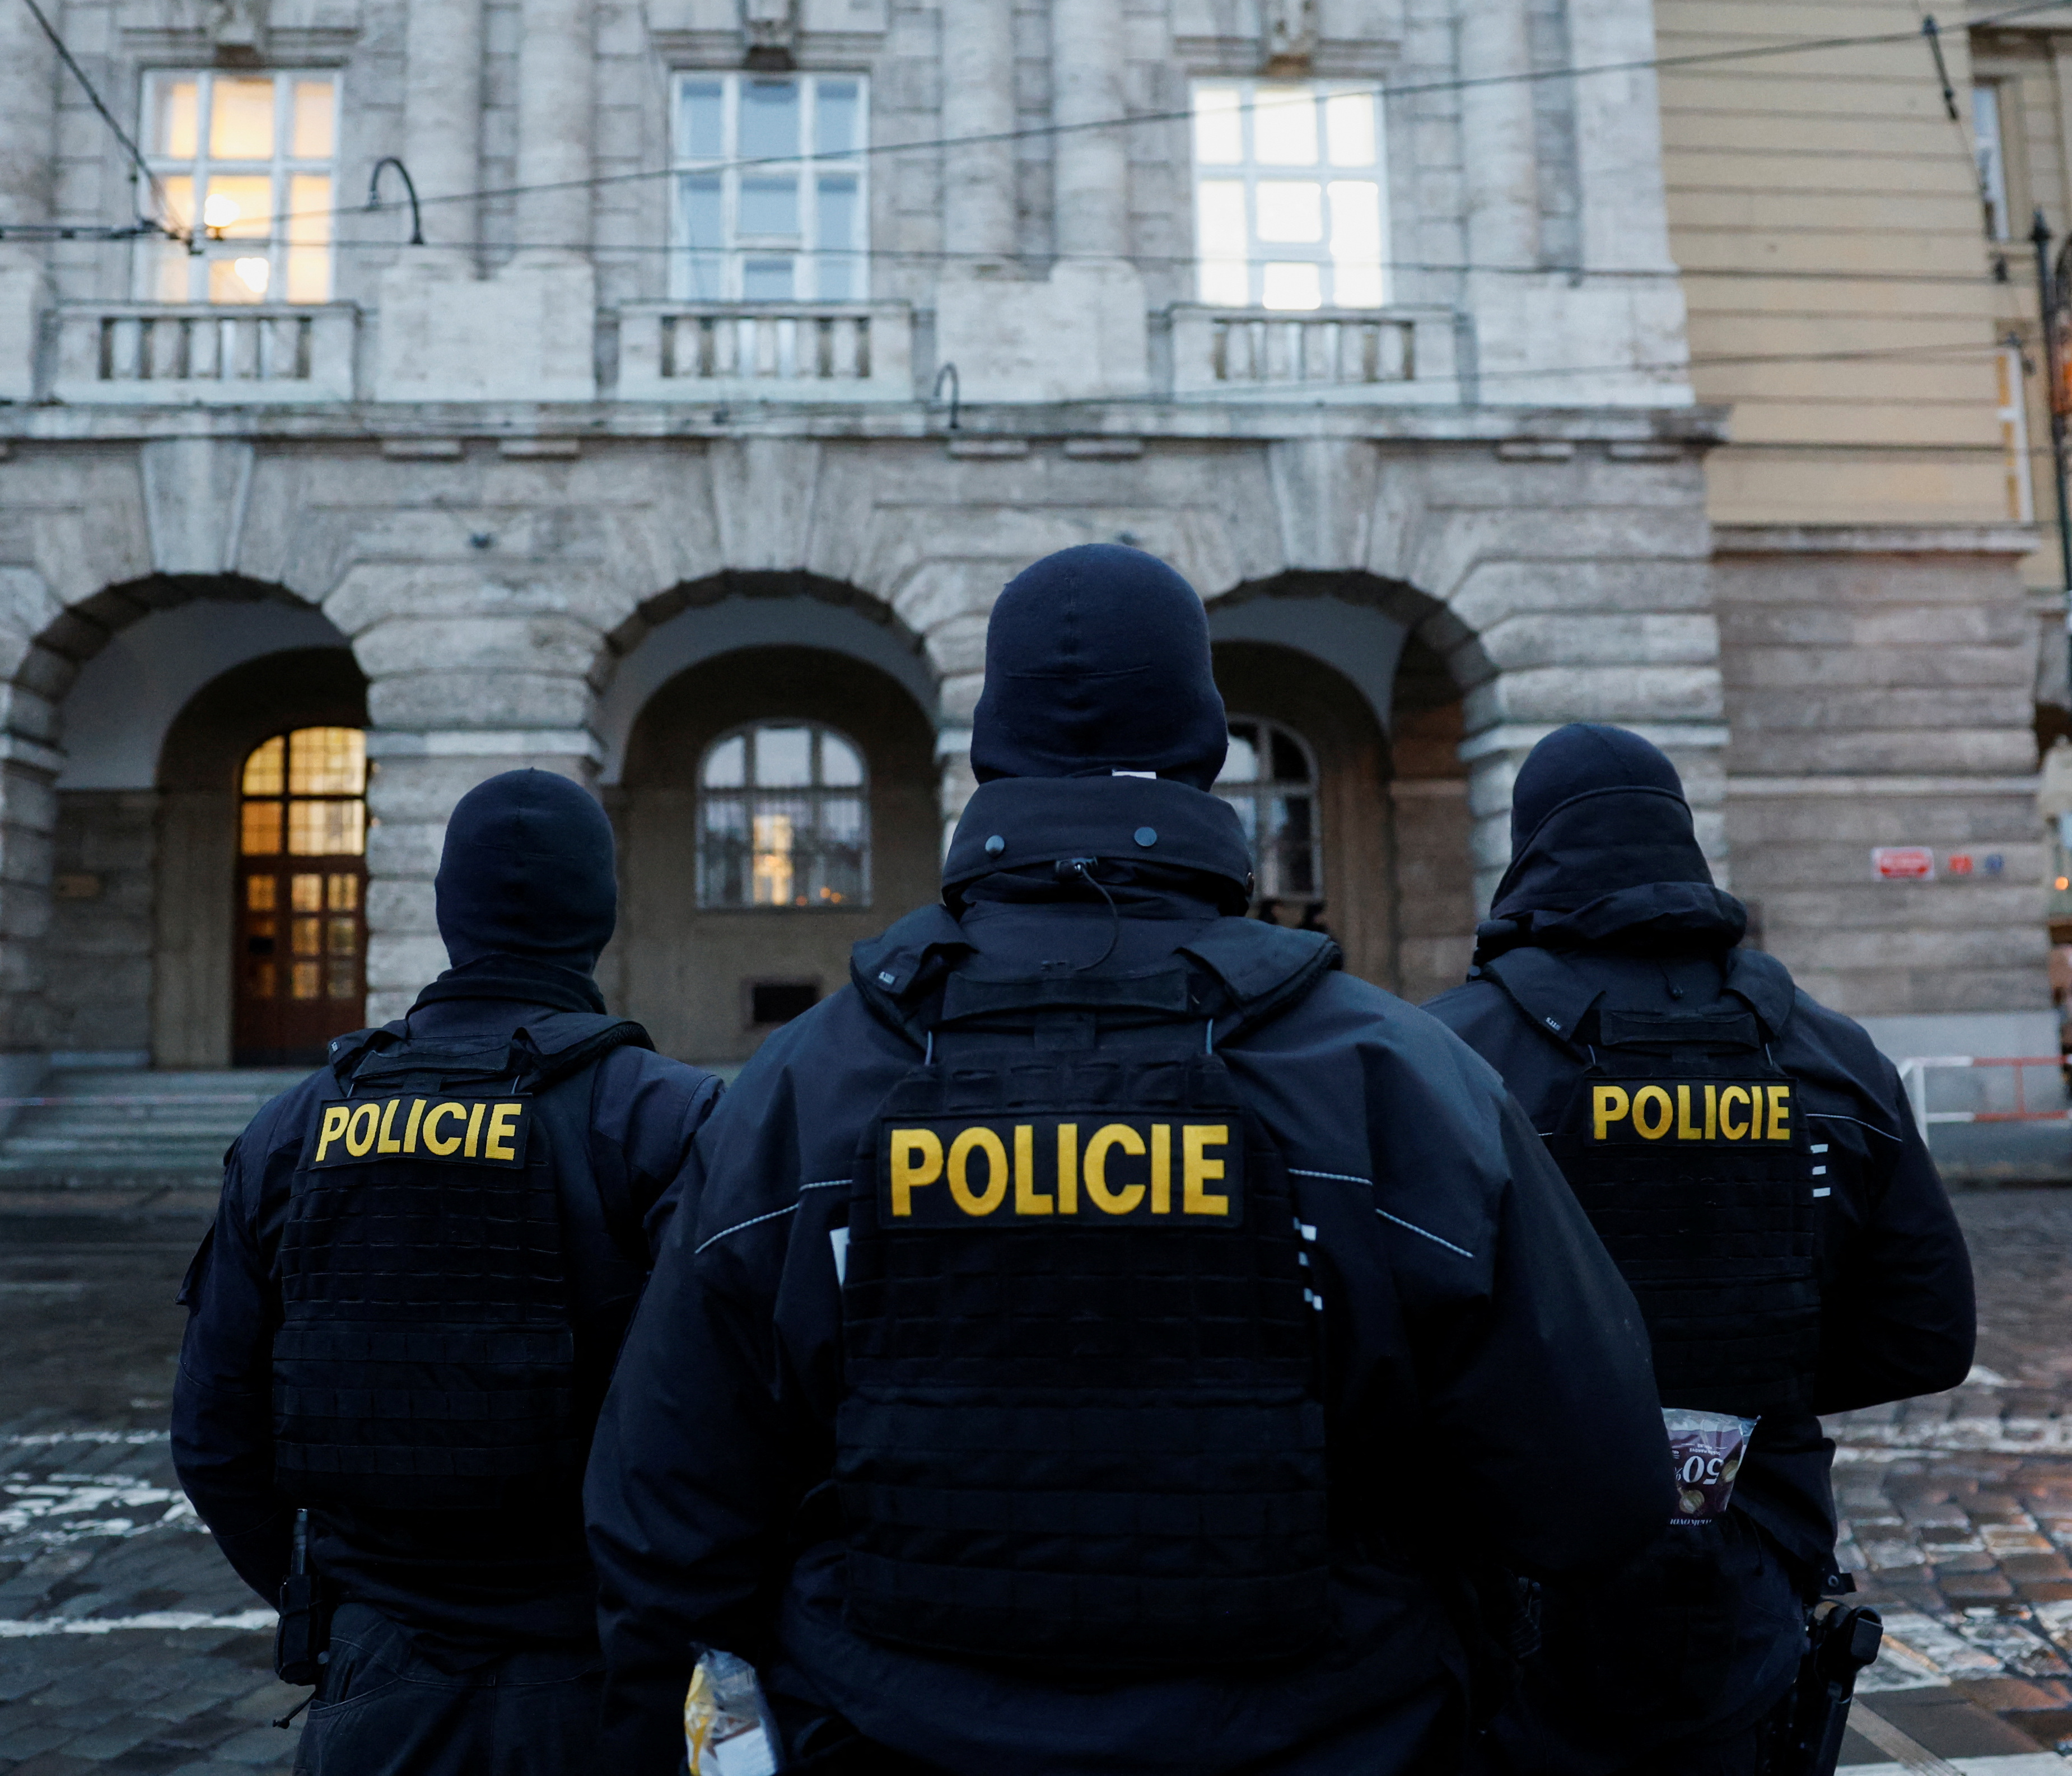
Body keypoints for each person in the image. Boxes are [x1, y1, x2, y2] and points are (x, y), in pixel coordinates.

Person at [586, 543, 1677, 1776]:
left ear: (988, 750)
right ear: (1203, 741)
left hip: (886, 1735)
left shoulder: (799, 1083)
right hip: (1332, 1737)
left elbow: (664, 1513)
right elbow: (1596, 1491)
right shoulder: (1399, 1079)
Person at [1422, 724, 1976, 1776]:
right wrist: (1749, 1381)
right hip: (1753, 1568)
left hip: (1518, 1570)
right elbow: (1926, 1334)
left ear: (1530, 847)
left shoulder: (1446, 1054)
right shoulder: (1833, 1056)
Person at [171, 769, 721, 1775]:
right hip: (607, 1676)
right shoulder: (671, 1119)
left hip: (378, 1677)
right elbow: (744, 1428)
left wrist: (345, 1609)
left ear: (444, 913)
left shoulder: (297, 1125)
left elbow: (215, 1438)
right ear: (599, 913)